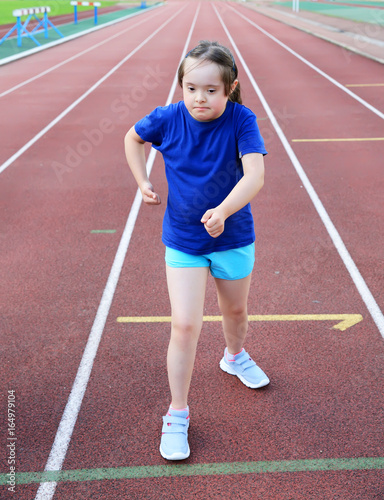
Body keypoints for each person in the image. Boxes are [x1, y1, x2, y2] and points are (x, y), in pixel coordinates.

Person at [124, 40, 269, 461]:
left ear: (229, 88)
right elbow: (132, 139)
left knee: (235, 314)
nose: (199, 98)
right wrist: (141, 180)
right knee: (184, 326)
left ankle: (234, 356)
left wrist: (223, 211)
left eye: (210, 90)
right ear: (181, 86)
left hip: (233, 237)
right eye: (191, 88)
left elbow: (255, 175)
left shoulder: (242, 121)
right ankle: (177, 413)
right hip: (185, 242)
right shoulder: (167, 119)